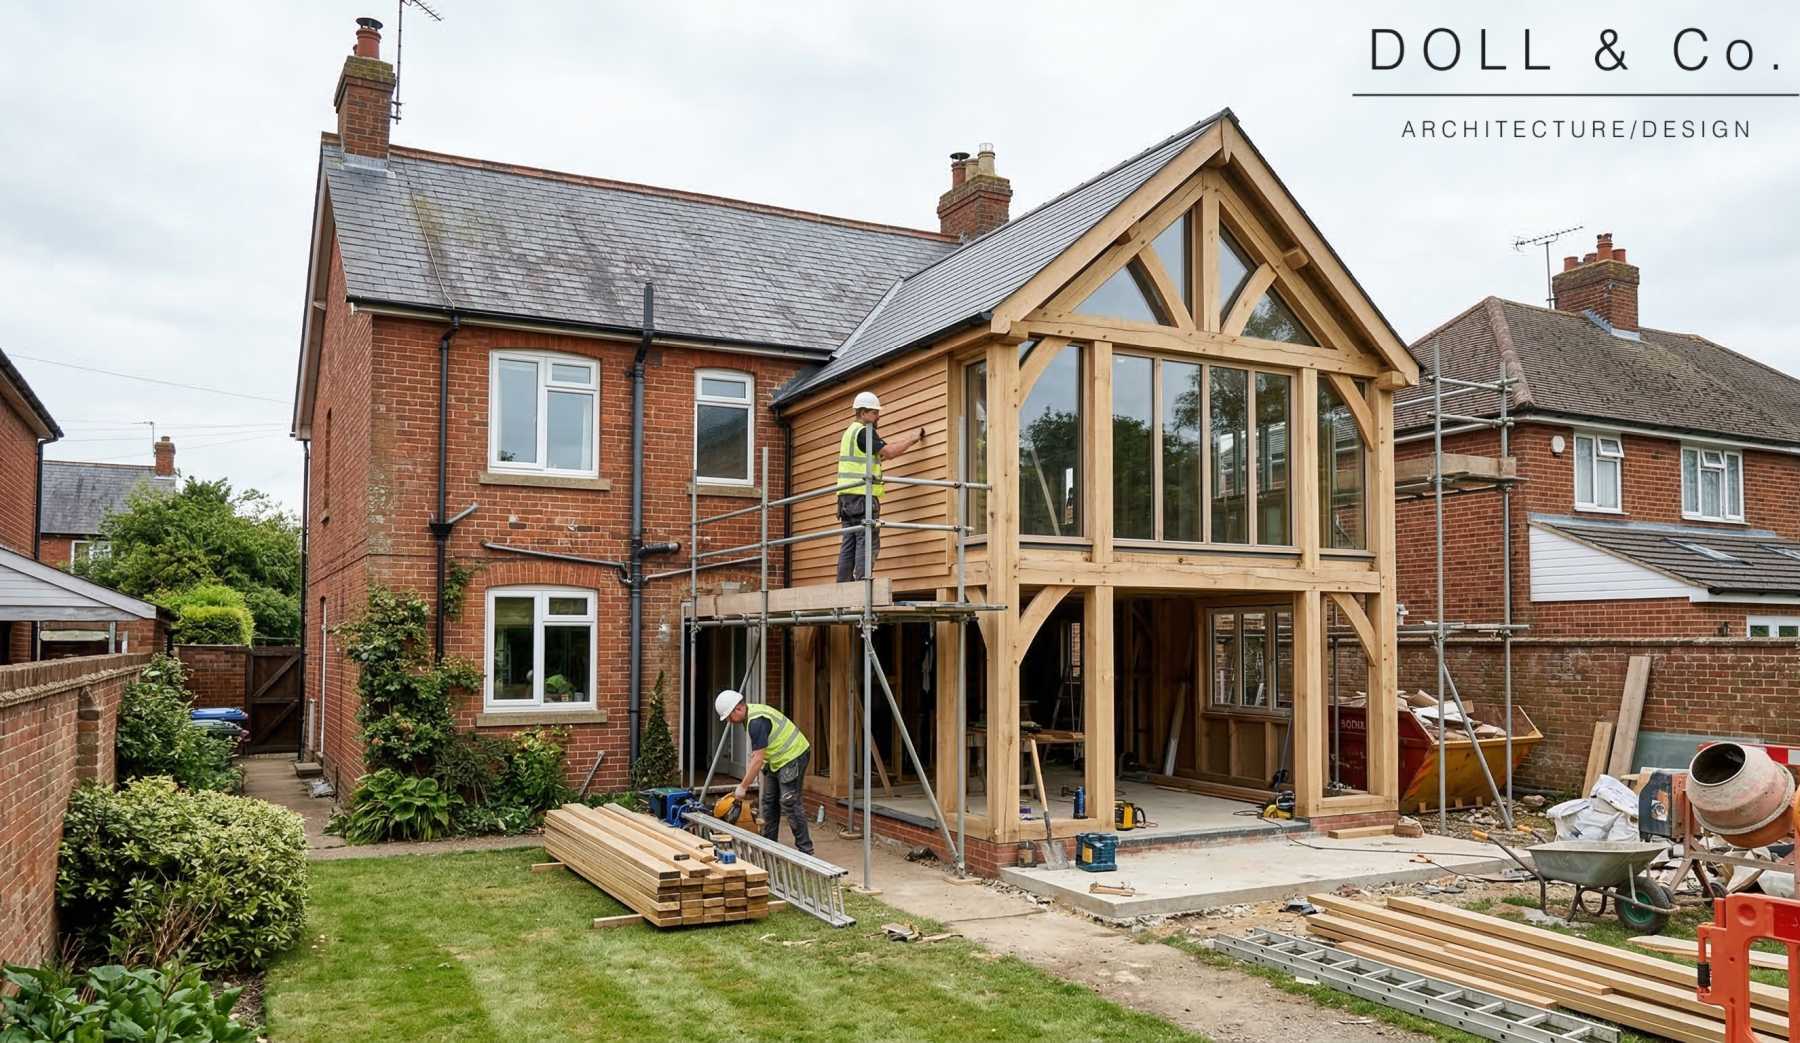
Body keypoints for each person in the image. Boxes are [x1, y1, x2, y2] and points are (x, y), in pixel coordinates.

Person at [835, 390, 926, 582]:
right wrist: (911, 439)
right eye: (874, 412)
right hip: (862, 496)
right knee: (867, 540)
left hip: (846, 498)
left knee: (849, 542)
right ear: (863, 413)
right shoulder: (865, 431)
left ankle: (843, 586)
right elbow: (889, 452)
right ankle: (863, 585)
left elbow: (875, 456)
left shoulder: (850, 432)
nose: (878, 416)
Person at [717, 688, 814, 855]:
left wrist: (743, 787)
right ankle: (768, 846)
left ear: (738, 709)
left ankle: (806, 852)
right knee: (769, 801)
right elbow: (757, 755)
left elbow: (757, 759)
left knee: (789, 802)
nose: (729, 722)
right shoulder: (749, 717)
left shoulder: (756, 722)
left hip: (793, 755)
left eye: (729, 717)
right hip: (777, 759)